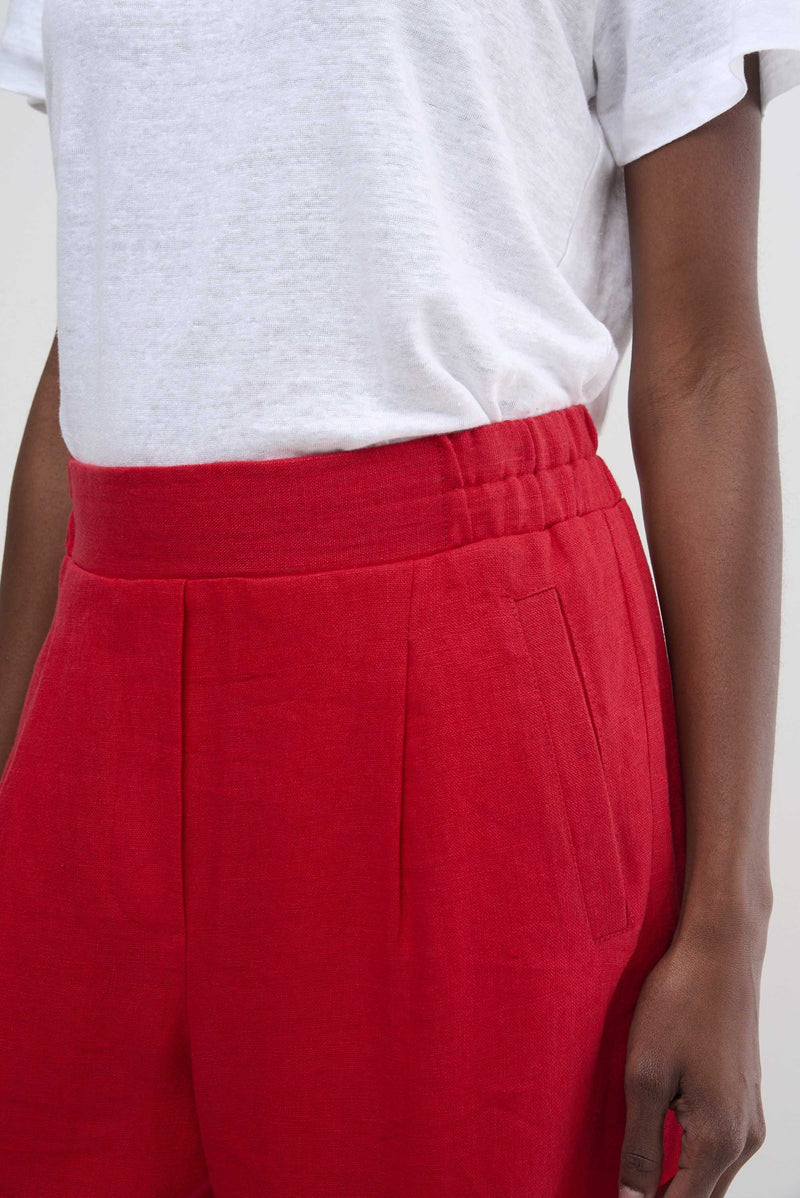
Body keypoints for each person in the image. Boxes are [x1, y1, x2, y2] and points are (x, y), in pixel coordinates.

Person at [0, 1, 797, 1195]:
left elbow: (701, 362)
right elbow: (116, 314)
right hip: (102, 676)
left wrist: (728, 918)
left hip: (463, 683)